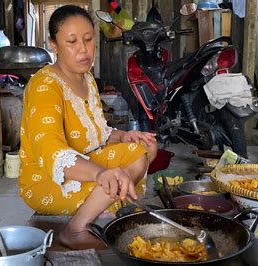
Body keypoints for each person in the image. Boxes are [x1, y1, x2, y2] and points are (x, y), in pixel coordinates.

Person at [18, 5, 158, 250]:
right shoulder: (45, 86)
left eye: (88, 39)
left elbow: (98, 132)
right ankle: (75, 230)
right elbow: (52, 152)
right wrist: (99, 173)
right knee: (119, 173)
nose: (83, 50)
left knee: (143, 148)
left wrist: (125, 135)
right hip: (47, 179)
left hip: (86, 161)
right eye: (71, 41)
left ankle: (101, 207)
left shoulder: (87, 79)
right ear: (54, 44)